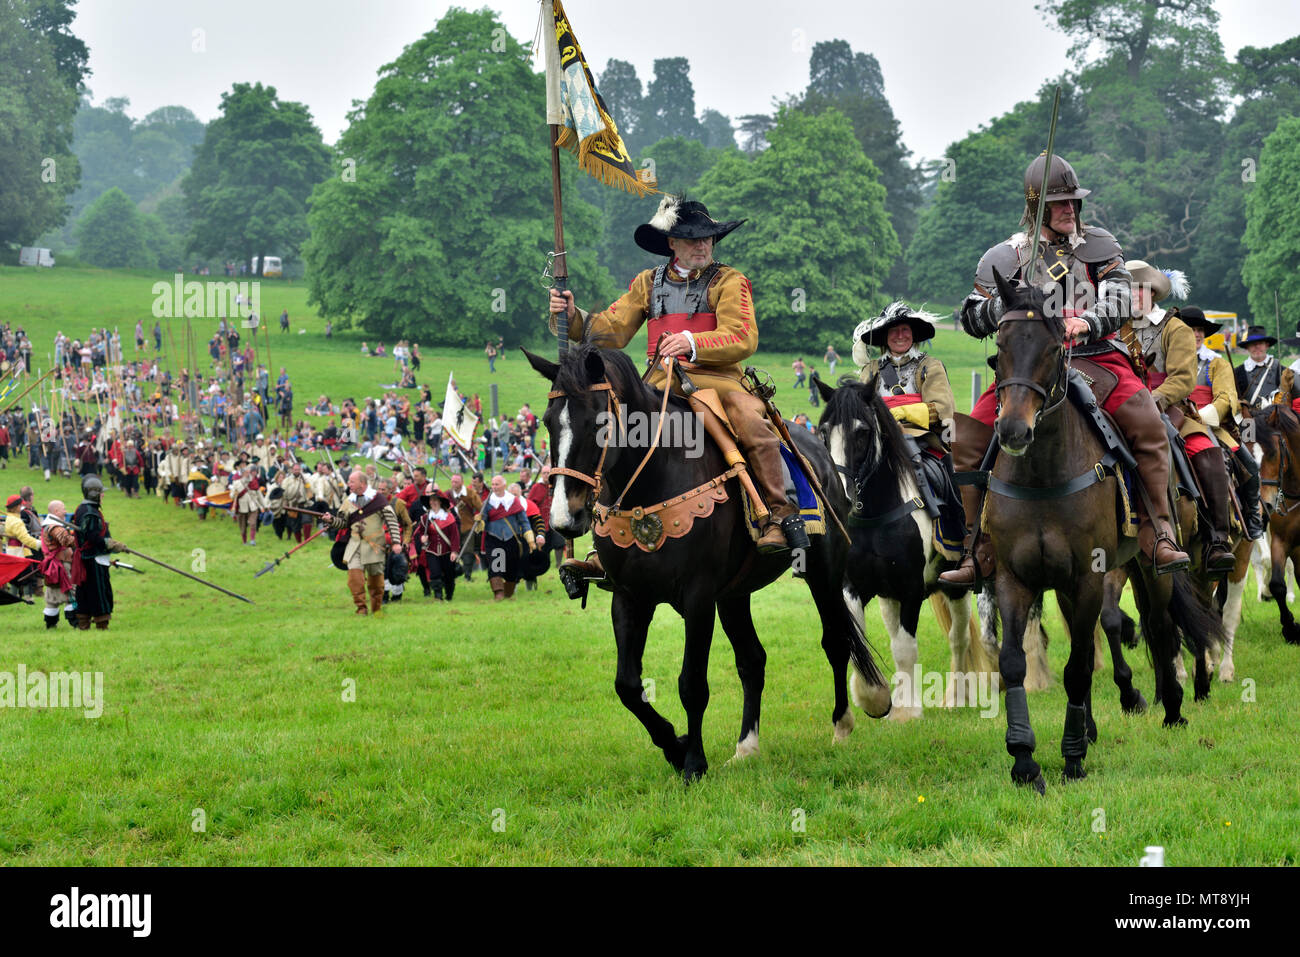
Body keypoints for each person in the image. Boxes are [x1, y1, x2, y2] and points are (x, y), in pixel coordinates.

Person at [940, 152, 1188, 586]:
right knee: (968, 437)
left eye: (1073, 201)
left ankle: (1158, 530)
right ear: (1036, 209)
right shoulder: (1005, 257)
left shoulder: (1101, 246)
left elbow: (1119, 299)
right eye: (1059, 203)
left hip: (1097, 358)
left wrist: (1086, 321)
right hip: (1028, 368)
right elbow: (971, 317)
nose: (1070, 209)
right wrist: (1013, 304)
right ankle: (975, 545)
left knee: (1150, 425)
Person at [547, 193, 808, 557]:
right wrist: (572, 316)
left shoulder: (730, 281)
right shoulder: (646, 283)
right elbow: (611, 331)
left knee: (751, 421)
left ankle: (777, 515)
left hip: (720, 383)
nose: (702, 244)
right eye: (691, 238)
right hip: (656, 384)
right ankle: (604, 538)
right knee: (607, 435)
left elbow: (743, 336)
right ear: (672, 243)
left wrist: (691, 342)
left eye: (706, 237)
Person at [1123, 261, 1236, 572]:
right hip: (1121, 406)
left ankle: (1216, 537)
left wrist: (1152, 399)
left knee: (1205, 448)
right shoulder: (1117, 328)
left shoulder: (1176, 328)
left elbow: (1183, 380)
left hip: (1170, 407)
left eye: (1137, 291)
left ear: (1152, 293)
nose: (1131, 297)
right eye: (1126, 291)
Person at [1179, 306, 1264, 541]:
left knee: (1250, 466)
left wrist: (1201, 416)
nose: (1195, 334)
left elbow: (1227, 398)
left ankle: (1252, 518)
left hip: (1209, 426)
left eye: (1199, 330)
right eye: (1189, 329)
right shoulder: (1168, 361)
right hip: (1173, 422)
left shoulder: (1215, 363)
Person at [325, 470, 401, 616]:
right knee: (354, 578)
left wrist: (396, 542)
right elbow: (343, 523)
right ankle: (361, 608)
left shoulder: (378, 500)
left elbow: (392, 521)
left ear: (362, 483)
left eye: (352, 481)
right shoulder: (349, 501)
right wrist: (331, 520)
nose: (349, 484)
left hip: (375, 546)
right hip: (354, 545)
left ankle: (376, 608)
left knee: (376, 581)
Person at [71, 475, 126, 629]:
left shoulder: (87, 509)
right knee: (98, 592)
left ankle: (84, 624)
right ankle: (101, 623)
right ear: (93, 494)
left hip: (89, 557)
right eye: (101, 493)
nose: (103, 495)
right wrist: (109, 543)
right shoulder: (89, 512)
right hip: (93, 558)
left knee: (86, 592)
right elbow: (92, 536)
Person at [474, 474, 533, 601]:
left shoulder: (514, 501)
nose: (494, 487)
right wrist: (480, 520)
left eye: (497, 484)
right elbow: (483, 521)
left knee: (512, 567)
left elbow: (523, 521)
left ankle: (508, 592)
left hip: (512, 539)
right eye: (493, 485)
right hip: (494, 539)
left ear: (504, 485)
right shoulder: (488, 502)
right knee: (496, 564)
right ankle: (498, 593)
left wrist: (530, 537)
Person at [39, 500, 76, 628]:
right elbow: (66, 540)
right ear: (56, 511)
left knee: (52, 597)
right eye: (63, 509)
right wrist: (78, 538)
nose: (65, 511)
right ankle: (75, 622)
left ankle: (51, 624)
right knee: (70, 593)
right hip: (60, 566)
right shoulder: (54, 526)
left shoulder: (49, 525)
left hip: (54, 565)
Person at [1234, 326, 1281, 410]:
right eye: (1252, 344)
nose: (1257, 347)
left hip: (1274, 419)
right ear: (1247, 347)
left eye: (1260, 343)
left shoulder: (1280, 369)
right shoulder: (1238, 372)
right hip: (1248, 419)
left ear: (1267, 345)